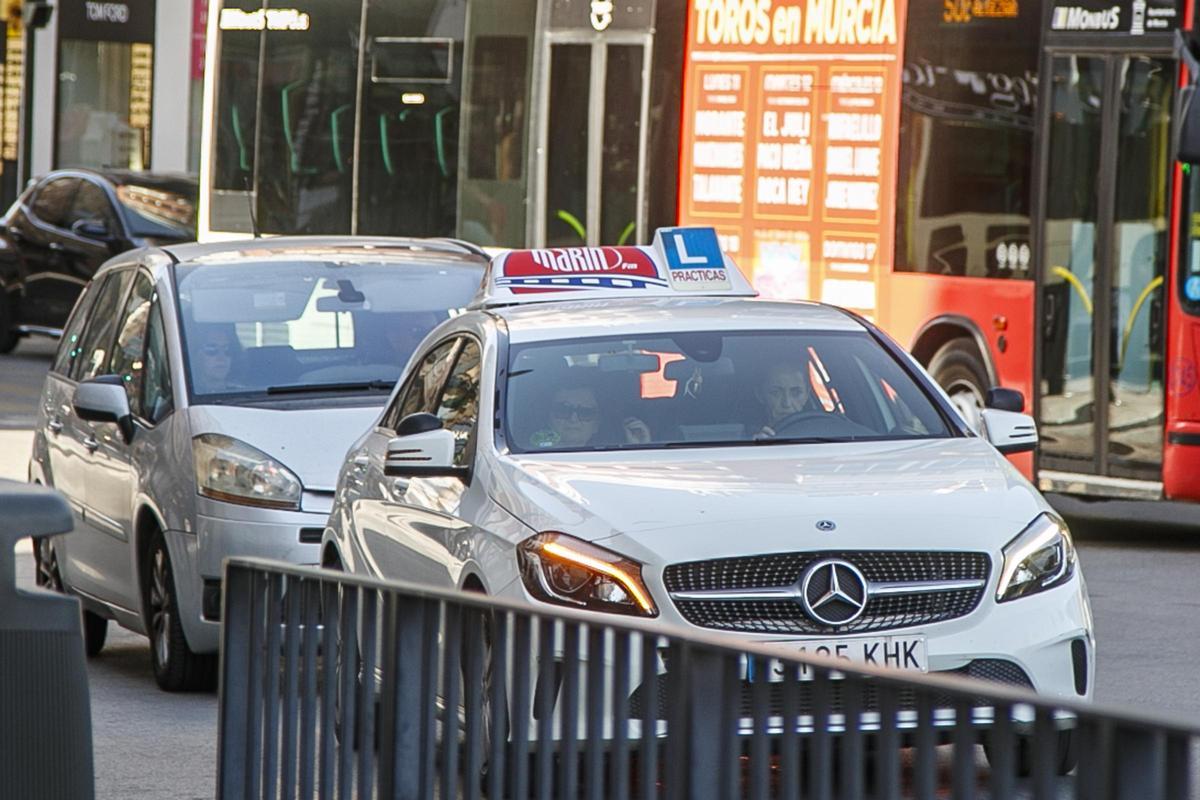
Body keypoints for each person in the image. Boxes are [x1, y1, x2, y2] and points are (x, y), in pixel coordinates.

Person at [529, 384, 651, 449]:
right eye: (563, 410)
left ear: (597, 425)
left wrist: (641, 448)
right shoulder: (523, 461)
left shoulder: (614, 462)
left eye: (585, 413)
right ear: (549, 418)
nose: (573, 419)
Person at [754, 361, 816, 438]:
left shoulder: (823, 432)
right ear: (760, 395)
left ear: (807, 394)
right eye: (776, 393)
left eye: (796, 393)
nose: (787, 403)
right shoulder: (741, 440)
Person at [189, 324, 243, 393]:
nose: (221, 358)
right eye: (212, 350)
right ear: (197, 355)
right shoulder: (185, 394)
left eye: (227, 350)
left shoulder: (242, 393)